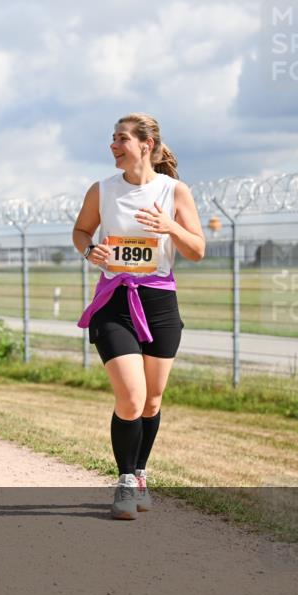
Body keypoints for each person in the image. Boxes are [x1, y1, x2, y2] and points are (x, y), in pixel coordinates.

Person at [74, 113, 205, 520]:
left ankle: (141, 471)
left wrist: (170, 227)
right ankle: (126, 481)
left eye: (121, 139)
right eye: (113, 138)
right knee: (130, 398)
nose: (113, 145)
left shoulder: (174, 191)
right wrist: (90, 250)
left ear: (146, 145)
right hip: (114, 301)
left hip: (159, 303)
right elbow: (81, 232)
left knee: (151, 401)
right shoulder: (102, 190)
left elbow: (197, 250)